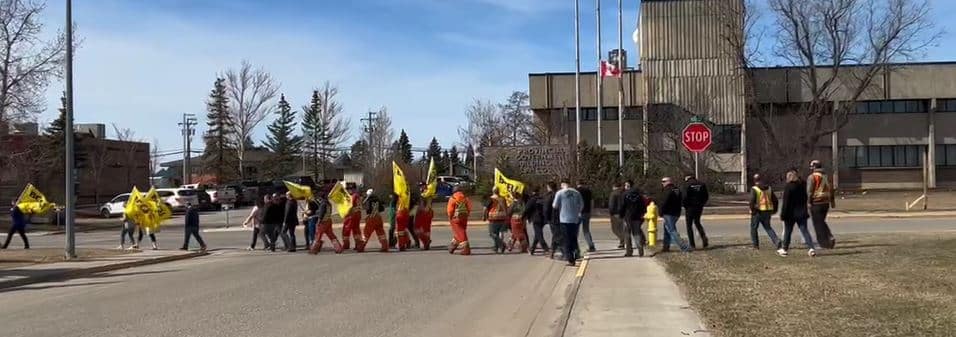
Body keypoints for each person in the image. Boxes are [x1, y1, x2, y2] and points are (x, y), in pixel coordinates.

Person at [780, 170, 817, 257]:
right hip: (801, 212)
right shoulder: (803, 185)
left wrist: (783, 214)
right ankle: (811, 248)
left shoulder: (788, 187)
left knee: (788, 232)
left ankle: (784, 248)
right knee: (804, 231)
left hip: (790, 214)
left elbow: (786, 203)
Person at [552, 179, 584, 266]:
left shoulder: (560, 193)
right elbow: (582, 205)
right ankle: (576, 253)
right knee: (573, 238)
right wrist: (576, 211)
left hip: (564, 219)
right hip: (575, 219)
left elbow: (554, 205)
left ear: (562, 184)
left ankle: (570, 259)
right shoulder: (577, 193)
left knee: (566, 240)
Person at [749, 174, 782, 253]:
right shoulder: (769, 188)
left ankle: (756, 246)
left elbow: (752, 201)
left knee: (754, 228)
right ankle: (777, 241)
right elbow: (775, 200)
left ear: (754, 180)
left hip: (757, 212)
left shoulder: (755, 189)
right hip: (767, 211)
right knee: (768, 227)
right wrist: (775, 210)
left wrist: (752, 210)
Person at [657, 177, 691, 253]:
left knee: (672, 230)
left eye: (663, 181)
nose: (662, 183)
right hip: (676, 213)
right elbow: (681, 200)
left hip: (669, 213)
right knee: (667, 229)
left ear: (668, 182)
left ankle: (684, 247)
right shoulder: (677, 189)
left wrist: (660, 212)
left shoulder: (667, 190)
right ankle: (666, 247)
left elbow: (664, 202)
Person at [808, 160, 836, 249]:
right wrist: (832, 201)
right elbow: (831, 189)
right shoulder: (826, 177)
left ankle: (824, 243)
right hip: (825, 203)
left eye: (812, 167)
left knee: (817, 224)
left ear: (814, 167)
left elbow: (809, 191)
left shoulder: (812, 177)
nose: (811, 169)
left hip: (816, 203)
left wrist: (808, 202)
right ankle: (830, 237)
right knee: (821, 221)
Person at [681, 175, 710, 249]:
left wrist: (685, 205)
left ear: (687, 178)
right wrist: (702, 203)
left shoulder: (687, 185)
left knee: (689, 226)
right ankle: (704, 239)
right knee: (697, 222)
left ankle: (692, 244)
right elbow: (706, 196)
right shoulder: (702, 184)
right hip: (699, 207)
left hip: (690, 207)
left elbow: (684, 197)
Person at [620, 180, 647, 257]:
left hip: (627, 217)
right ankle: (640, 249)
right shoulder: (639, 195)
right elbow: (643, 206)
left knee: (627, 235)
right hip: (637, 217)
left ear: (628, 186)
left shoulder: (624, 194)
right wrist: (642, 213)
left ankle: (629, 251)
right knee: (637, 233)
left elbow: (622, 206)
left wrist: (621, 215)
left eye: (626, 185)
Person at [446, 186, 472, 255]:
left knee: (460, 233)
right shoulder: (465, 198)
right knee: (459, 232)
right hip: (464, 217)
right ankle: (452, 246)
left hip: (455, 218)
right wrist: (467, 214)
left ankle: (466, 249)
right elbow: (469, 207)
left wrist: (450, 217)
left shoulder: (452, 198)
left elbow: (450, 210)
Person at [523, 189, 550, 256]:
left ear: (533, 192)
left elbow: (527, 209)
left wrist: (523, 217)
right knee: (537, 234)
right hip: (543, 219)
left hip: (535, 219)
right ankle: (532, 249)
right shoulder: (542, 199)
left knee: (539, 234)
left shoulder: (532, 200)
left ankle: (545, 248)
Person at [483, 187, 510, 254]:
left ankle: (502, 244)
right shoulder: (503, 198)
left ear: (493, 191)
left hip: (493, 217)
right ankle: (496, 247)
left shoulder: (491, 199)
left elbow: (485, 208)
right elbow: (506, 208)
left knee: (492, 233)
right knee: (497, 233)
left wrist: (484, 216)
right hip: (502, 217)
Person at [341, 184, 364, 251]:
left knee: (346, 230)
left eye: (349, 189)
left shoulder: (353, 196)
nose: (348, 191)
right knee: (356, 230)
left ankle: (346, 245)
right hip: (358, 215)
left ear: (353, 189)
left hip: (351, 215)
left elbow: (349, 206)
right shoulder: (358, 196)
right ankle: (358, 244)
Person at [576, 180, 596, 253]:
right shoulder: (588, 191)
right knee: (586, 230)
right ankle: (591, 245)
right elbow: (592, 202)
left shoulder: (575, 191)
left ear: (577, 184)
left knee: (576, 230)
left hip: (577, 213)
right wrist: (591, 211)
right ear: (584, 184)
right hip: (587, 212)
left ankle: (576, 247)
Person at [544, 182, 562, 260]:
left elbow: (546, 208)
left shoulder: (550, 196)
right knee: (557, 235)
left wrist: (547, 218)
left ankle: (559, 251)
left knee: (556, 235)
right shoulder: (560, 194)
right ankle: (554, 251)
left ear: (549, 187)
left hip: (553, 218)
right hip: (561, 217)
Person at [414, 183, 435, 250]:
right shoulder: (427, 193)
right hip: (427, 212)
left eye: (421, 186)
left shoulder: (425, 194)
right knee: (426, 229)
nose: (420, 188)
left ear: (425, 186)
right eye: (419, 186)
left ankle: (426, 241)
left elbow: (425, 205)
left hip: (424, 213)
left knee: (418, 229)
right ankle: (426, 243)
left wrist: (422, 210)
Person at [608, 182, 626, 249]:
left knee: (615, 229)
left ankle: (623, 239)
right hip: (623, 213)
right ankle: (622, 242)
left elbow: (611, 204)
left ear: (614, 187)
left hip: (615, 213)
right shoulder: (624, 193)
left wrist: (611, 212)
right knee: (621, 229)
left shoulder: (613, 194)